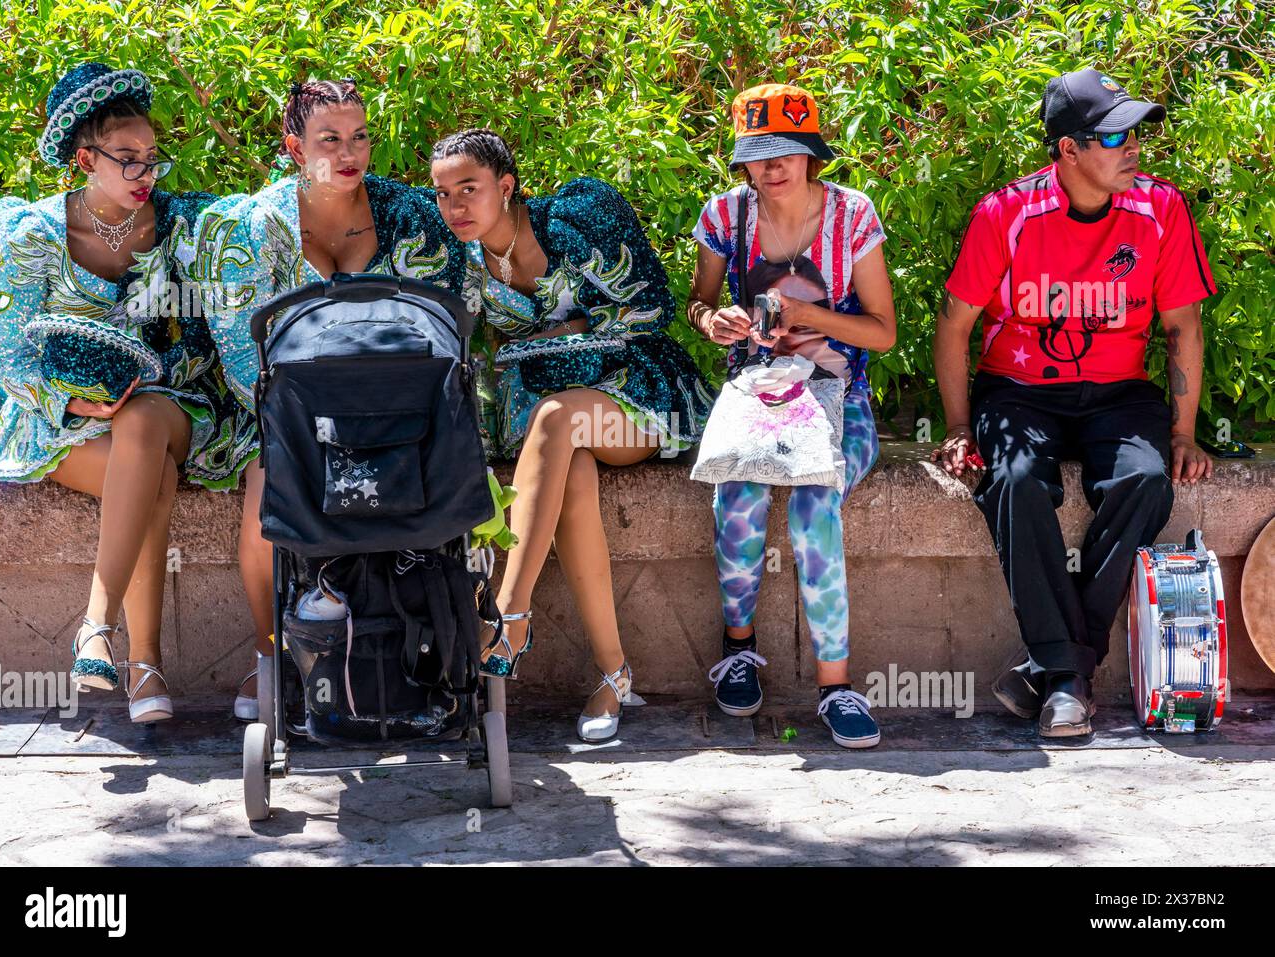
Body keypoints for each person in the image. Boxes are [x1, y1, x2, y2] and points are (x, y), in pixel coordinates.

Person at [931, 68, 1215, 736]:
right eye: (1114, 134)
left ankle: (1059, 670)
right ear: (1068, 150)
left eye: (1136, 131)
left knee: (1148, 481)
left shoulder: (1161, 209)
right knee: (1015, 481)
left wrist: (1184, 430)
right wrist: (956, 423)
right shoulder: (1004, 214)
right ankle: (1069, 672)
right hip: (1020, 391)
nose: (1133, 146)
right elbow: (954, 326)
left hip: (1119, 394)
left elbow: (1183, 328)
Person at [0, 63, 256, 722]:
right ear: (84, 158)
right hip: (50, 415)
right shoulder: (31, 234)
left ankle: (96, 623)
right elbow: (10, 356)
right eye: (126, 160)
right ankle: (143, 669)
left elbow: (242, 249)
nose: (145, 175)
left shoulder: (176, 225)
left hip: (160, 401)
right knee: (151, 474)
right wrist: (74, 402)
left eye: (152, 160)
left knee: (141, 426)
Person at [430, 128, 715, 742]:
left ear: (506, 188)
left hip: (631, 393)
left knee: (561, 419)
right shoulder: (458, 261)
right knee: (569, 464)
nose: (455, 207)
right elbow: (454, 348)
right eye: (444, 193)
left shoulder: (574, 217)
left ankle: (508, 610)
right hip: (543, 416)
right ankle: (614, 674)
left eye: (470, 189)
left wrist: (563, 333)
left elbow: (653, 308)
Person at [194, 78, 466, 719]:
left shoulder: (410, 216)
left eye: (361, 136)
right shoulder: (249, 229)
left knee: (442, 469)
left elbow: (443, 329)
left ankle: (429, 647)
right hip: (282, 414)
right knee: (268, 488)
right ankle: (273, 657)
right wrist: (304, 419)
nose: (351, 153)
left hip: (398, 410)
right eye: (330, 140)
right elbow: (241, 354)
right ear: (294, 146)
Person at [688, 84, 896, 748]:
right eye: (758, 155)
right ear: (743, 162)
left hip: (841, 398)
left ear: (812, 155)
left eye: (787, 153)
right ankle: (739, 646)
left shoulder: (852, 215)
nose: (772, 168)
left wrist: (807, 317)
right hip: (753, 397)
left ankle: (835, 686)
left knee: (813, 503)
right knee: (739, 497)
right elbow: (698, 303)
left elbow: (883, 332)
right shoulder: (725, 216)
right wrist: (712, 321)